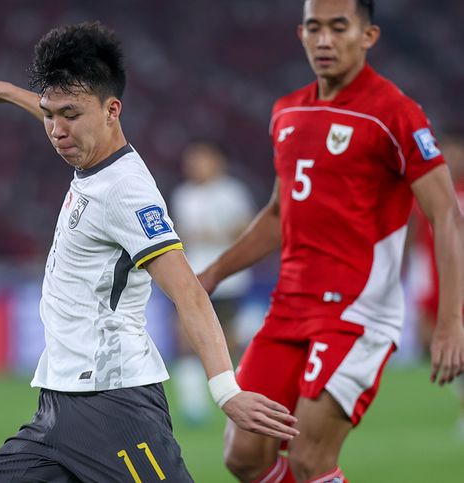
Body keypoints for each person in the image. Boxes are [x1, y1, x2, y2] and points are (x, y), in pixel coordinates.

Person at [0, 22, 298, 483]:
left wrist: (225, 390)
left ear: (112, 110)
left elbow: (188, 292)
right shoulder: (90, 153)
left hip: (113, 405)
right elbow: (62, 112)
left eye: (70, 115)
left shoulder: (126, 191)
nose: (56, 130)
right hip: (57, 406)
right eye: (50, 114)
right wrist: (3, 91)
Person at [197, 1, 464, 482]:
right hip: (288, 308)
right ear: (300, 34)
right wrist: (212, 274)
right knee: (244, 455)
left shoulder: (395, 113)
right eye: (314, 28)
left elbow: (446, 214)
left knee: (309, 457)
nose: (324, 40)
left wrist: (451, 321)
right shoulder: (287, 112)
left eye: (339, 27)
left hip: (356, 315)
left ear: (368, 36)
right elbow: (279, 214)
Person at [171, 141, 257, 425]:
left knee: (227, 342)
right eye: (192, 161)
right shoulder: (183, 195)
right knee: (186, 339)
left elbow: (248, 228)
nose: (195, 166)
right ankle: (194, 407)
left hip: (228, 280)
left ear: (217, 162)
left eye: (201, 159)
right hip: (192, 278)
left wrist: (217, 234)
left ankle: (240, 393)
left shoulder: (232, 192)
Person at [409, 131, 464, 438]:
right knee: (431, 338)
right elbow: (418, 238)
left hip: (458, 280)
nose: (452, 158)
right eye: (447, 152)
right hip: (434, 279)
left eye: (457, 152)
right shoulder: (428, 191)